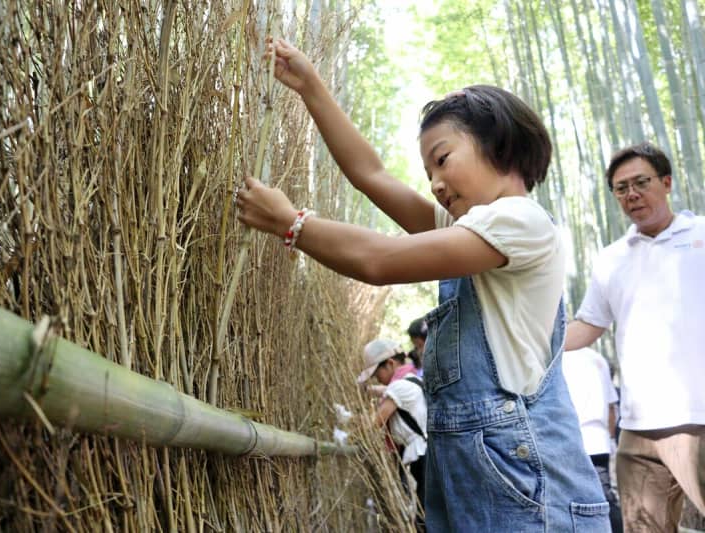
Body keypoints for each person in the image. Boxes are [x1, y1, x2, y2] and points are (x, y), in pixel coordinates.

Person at [236, 38, 609, 531]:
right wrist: (311, 88)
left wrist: (292, 224)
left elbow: (378, 260)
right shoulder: (473, 227)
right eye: (429, 170)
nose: (434, 181)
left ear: (497, 143)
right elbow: (370, 174)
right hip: (481, 473)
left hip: (527, 483)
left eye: (443, 158)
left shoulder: (518, 221)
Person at [565, 142, 705, 532]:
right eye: (621, 188)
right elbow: (589, 325)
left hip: (699, 417)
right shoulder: (611, 258)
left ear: (667, 182)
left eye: (641, 183)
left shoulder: (701, 236)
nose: (632, 195)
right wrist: (532, 343)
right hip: (638, 431)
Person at [358, 339, 427, 531]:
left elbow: (374, 424)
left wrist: (351, 420)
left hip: (422, 458)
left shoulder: (398, 388)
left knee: (423, 517)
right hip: (427, 454)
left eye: (377, 373)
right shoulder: (412, 379)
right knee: (426, 512)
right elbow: (384, 390)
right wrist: (368, 390)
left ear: (390, 363)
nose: (377, 379)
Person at [562, 347, 623, 532]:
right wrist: (611, 438)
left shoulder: (555, 356)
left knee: (567, 500)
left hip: (569, 440)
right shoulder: (597, 358)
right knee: (604, 497)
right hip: (597, 440)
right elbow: (611, 407)